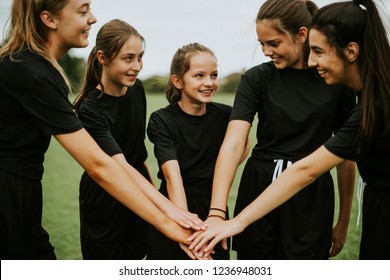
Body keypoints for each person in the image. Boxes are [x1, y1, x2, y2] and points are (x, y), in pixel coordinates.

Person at [0, 0, 203, 260]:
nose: (93, 19)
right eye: (83, 11)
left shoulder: (32, 68)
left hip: (23, 196)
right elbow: (101, 165)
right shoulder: (32, 73)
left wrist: (168, 210)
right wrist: (168, 222)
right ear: (49, 19)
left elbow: (134, 160)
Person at [189, 0, 390, 261]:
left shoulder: (355, 93)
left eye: (273, 43)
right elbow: (234, 143)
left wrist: (341, 222)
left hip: (314, 194)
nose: (265, 51)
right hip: (263, 185)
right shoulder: (258, 78)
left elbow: (321, 164)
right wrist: (218, 210)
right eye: (261, 44)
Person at [72, 19, 204, 260]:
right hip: (104, 199)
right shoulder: (89, 108)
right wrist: (169, 210)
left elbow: (137, 156)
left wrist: (156, 200)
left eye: (140, 57)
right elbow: (120, 166)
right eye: (128, 58)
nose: (137, 66)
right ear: (102, 57)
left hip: (139, 189)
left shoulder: (137, 89)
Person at [146, 43, 250, 260]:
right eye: (199, 75)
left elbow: (243, 145)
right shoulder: (161, 120)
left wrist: (218, 176)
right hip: (175, 209)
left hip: (215, 207)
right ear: (178, 81)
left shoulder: (225, 116)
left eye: (214, 75)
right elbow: (171, 176)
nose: (209, 83)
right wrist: (186, 227)